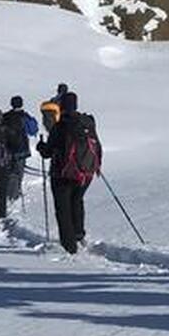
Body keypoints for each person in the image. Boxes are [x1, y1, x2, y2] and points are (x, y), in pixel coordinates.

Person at [37, 91, 100, 253]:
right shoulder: (87, 123)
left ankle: (69, 245)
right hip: (86, 173)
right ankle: (79, 234)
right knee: (77, 200)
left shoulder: (60, 126)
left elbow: (48, 153)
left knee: (63, 208)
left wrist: (40, 147)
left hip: (62, 173)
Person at [3, 95, 38, 201]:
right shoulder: (25, 116)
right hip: (21, 148)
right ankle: (15, 192)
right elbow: (32, 131)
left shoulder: (5, 116)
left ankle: (8, 191)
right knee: (19, 171)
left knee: (9, 170)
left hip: (7, 148)